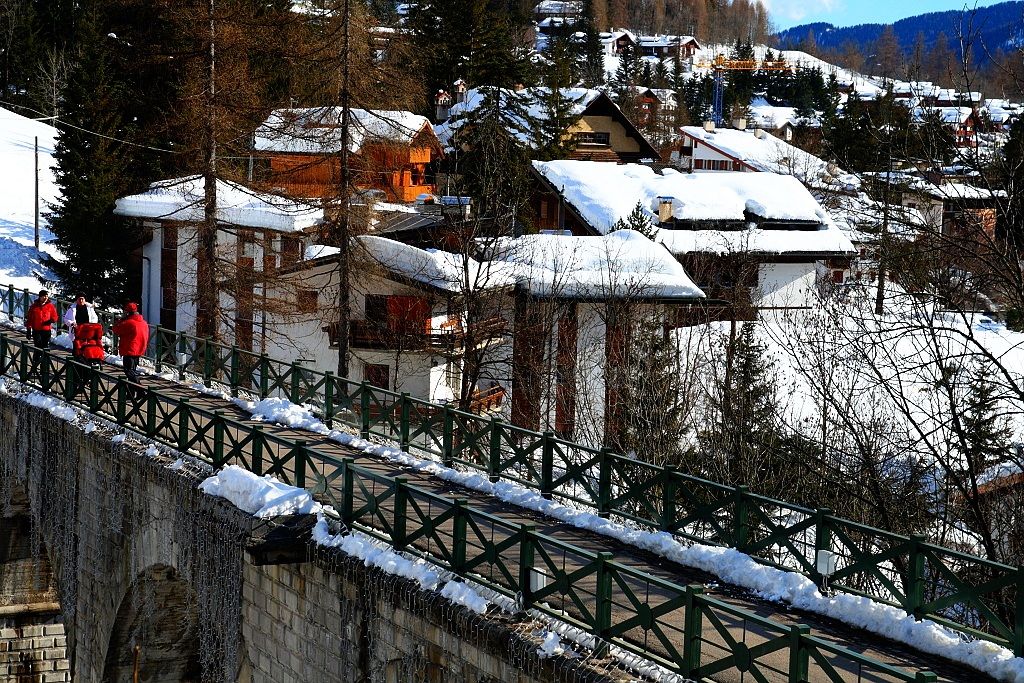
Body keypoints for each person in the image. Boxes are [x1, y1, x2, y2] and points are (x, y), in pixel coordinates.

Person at [112, 303, 149, 385]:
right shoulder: (143, 322)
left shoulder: (129, 323)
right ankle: (131, 391)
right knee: (133, 370)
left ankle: (139, 388)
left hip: (129, 349)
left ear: (127, 313)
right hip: (139, 349)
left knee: (128, 371)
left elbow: (116, 329)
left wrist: (122, 319)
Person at [25, 289, 58, 376]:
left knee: (45, 349)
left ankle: (44, 369)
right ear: (40, 297)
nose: (45, 298)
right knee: (38, 348)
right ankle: (34, 367)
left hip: (46, 331)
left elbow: (55, 317)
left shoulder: (50, 306)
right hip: (37, 331)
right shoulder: (34, 306)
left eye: (46, 296)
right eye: (44, 296)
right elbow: (30, 319)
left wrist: (51, 320)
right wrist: (28, 330)